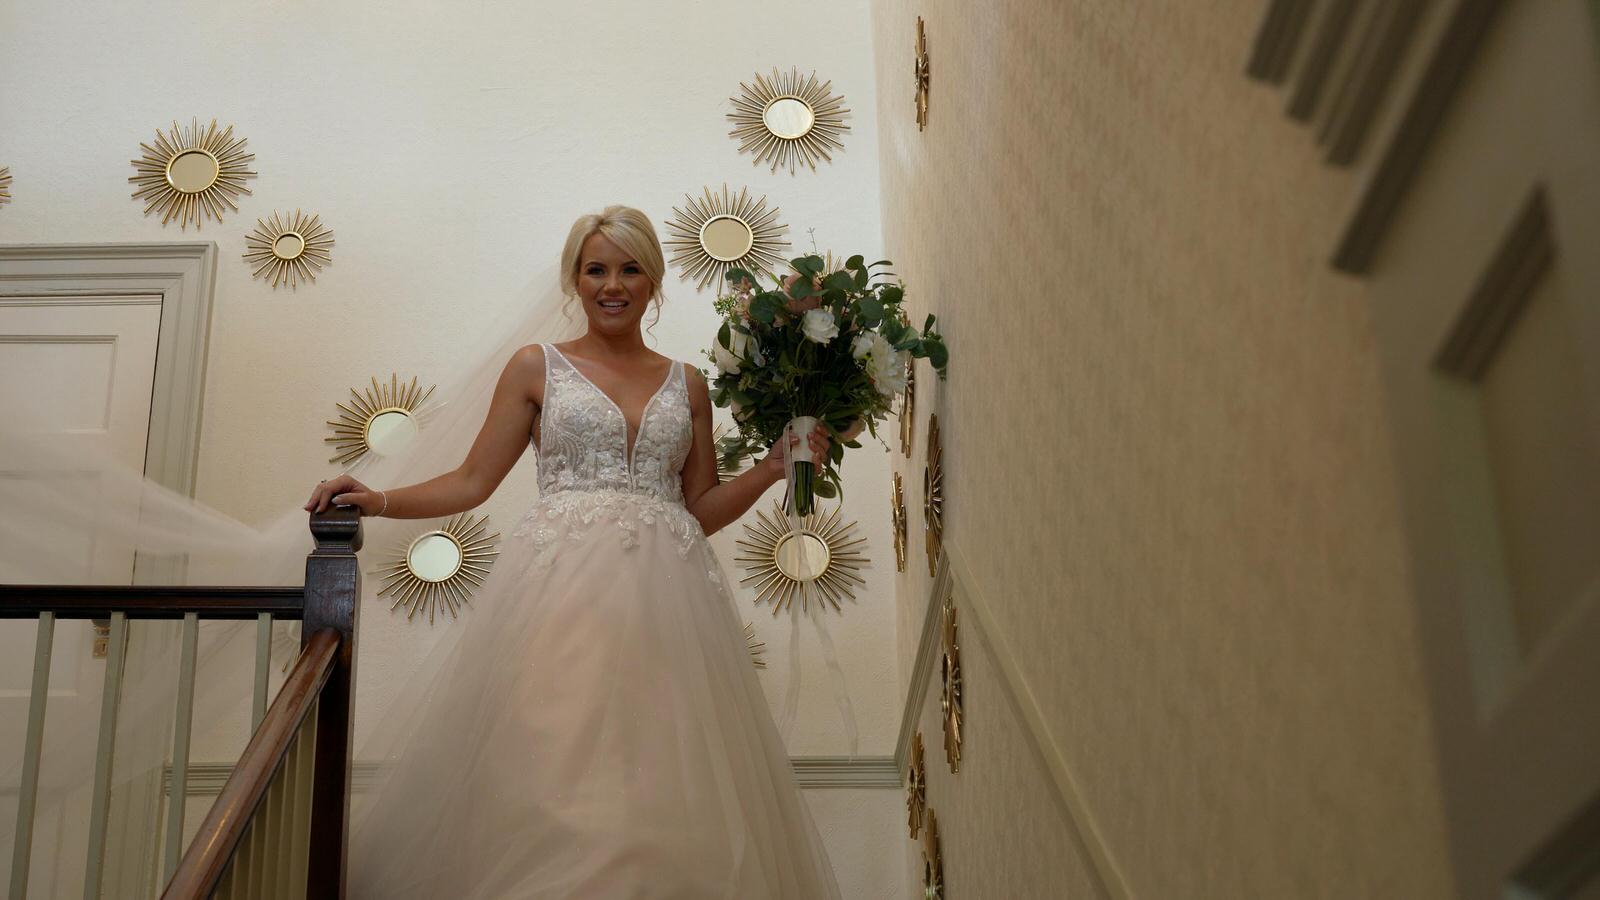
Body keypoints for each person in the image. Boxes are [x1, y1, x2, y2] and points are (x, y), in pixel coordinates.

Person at [303, 205, 843, 899]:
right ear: (574, 280)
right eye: (595, 270)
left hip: (668, 604)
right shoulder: (538, 367)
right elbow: (472, 480)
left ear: (653, 281)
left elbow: (699, 508)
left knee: (659, 783)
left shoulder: (689, 383)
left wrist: (771, 469)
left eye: (629, 269)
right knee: (558, 765)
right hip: (562, 592)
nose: (611, 285)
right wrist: (376, 498)